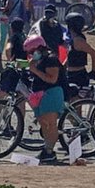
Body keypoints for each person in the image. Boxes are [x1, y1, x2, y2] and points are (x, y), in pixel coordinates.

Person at [24, 35, 66, 164]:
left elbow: (52, 79)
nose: (31, 54)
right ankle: (47, 148)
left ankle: (49, 151)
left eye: (32, 52)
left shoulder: (51, 59)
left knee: (50, 124)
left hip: (52, 93)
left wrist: (34, 70)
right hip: (42, 94)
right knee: (44, 123)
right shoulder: (40, 60)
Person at [65, 12, 95, 88]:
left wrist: (93, 71)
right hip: (70, 74)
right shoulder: (73, 38)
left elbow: (94, 53)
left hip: (78, 76)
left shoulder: (78, 40)